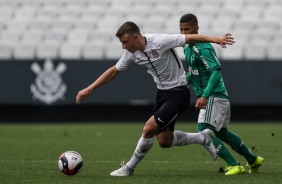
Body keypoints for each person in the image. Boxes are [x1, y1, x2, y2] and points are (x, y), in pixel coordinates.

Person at [76, 21, 235, 176]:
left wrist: (216, 39)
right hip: (162, 95)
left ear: (136, 38)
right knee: (165, 141)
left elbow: (191, 38)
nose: (123, 46)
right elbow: (113, 71)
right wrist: (89, 89)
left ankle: (129, 168)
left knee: (148, 129)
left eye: (125, 42)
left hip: (178, 94)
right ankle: (202, 138)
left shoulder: (160, 41)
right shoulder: (131, 54)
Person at [179, 13, 264, 175]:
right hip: (217, 97)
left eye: (187, 29)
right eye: (181, 29)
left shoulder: (202, 47)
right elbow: (192, 71)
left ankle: (234, 165)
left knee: (204, 132)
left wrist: (204, 95)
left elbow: (216, 71)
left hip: (213, 96)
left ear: (197, 28)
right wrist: (180, 83)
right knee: (221, 133)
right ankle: (253, 160)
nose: (184, 33)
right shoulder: (187, 46)